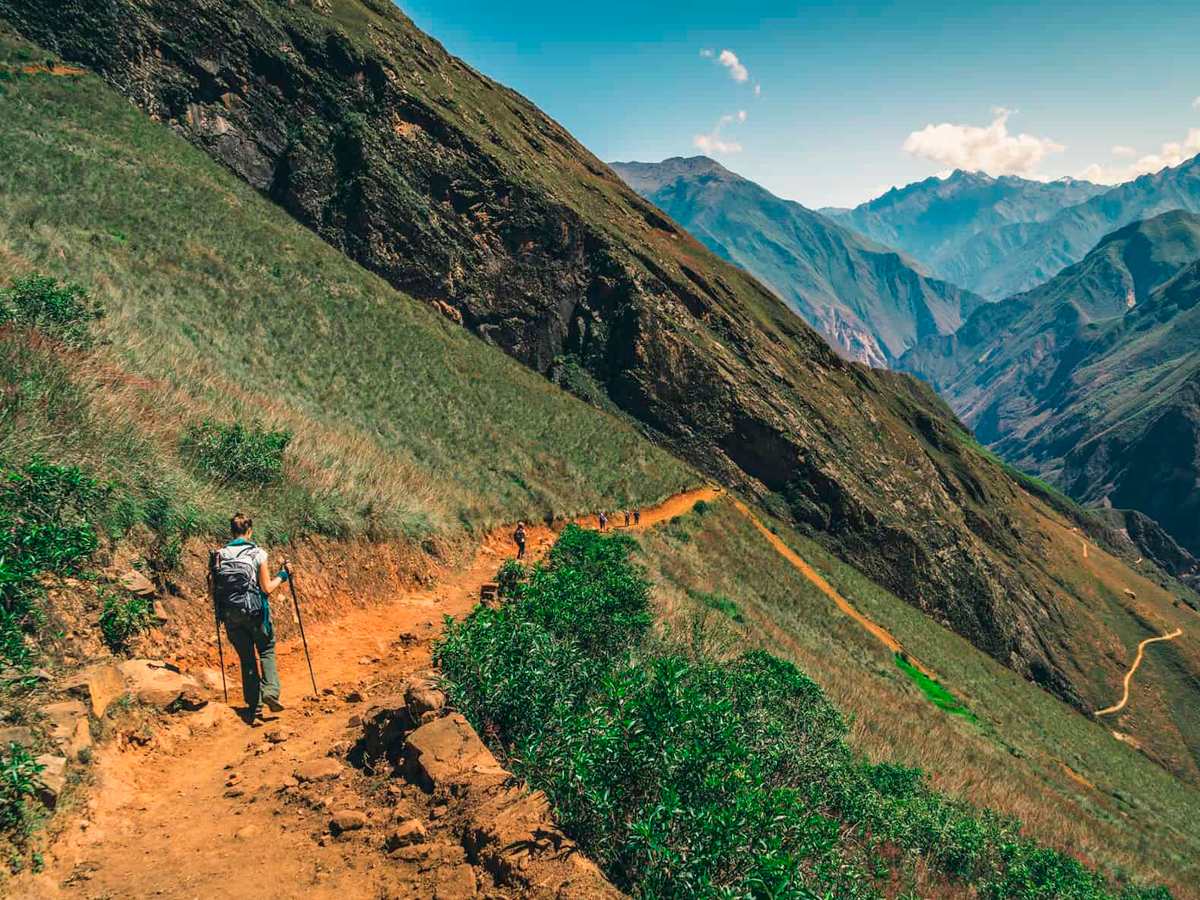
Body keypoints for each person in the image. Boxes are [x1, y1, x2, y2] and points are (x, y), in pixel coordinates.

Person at [211, 513, 289, 723]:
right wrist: (283, 575)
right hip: (256, 614)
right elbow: (266, 588)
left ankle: (255, 707)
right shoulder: (257, 553)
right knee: (266, 649)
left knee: (247, 659)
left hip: (231, 615)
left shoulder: (219, 555)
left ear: (231, 531)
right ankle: (270, 692)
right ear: (249, 531)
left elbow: (214, 589)